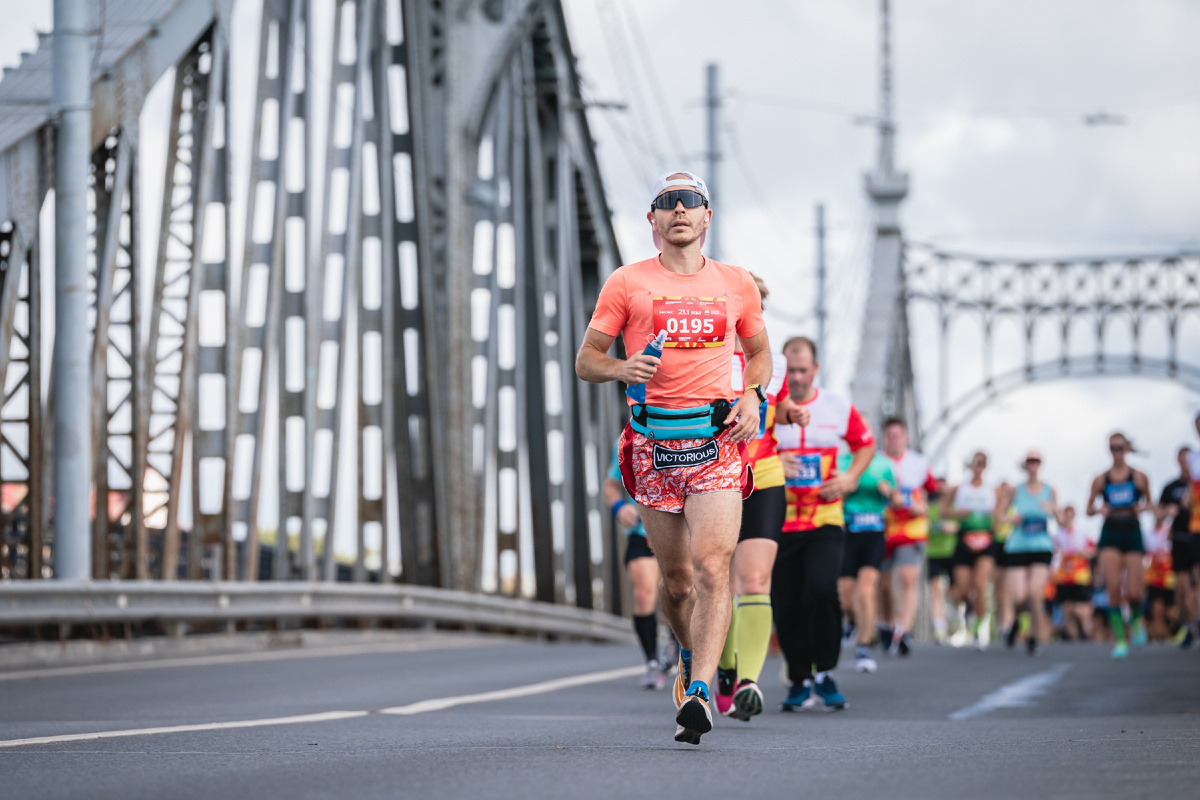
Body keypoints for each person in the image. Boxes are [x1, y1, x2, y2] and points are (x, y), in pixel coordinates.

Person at [576, 171, 771, 745]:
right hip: (652, 448)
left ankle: (704, 691)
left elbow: (758, 354)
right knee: (679, 581)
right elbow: (588, 359)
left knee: (715, 567)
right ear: (653, 219)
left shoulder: (736, 283)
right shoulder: (626, 282)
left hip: (715, 444)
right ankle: (686, 654)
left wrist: (752, 394)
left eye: (690, 202)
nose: (679, 210)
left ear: (707, 216)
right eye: (667, 203)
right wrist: (619, 368)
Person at [773, 337, 875, 711]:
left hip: (824, 517)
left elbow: (865, 444)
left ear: (815, 370)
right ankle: (799, 679)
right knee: (787, 602)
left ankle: (825, 672)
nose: (797, 378)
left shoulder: (836, 407)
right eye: (791, 371)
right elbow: (745, 449)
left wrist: (850, 479)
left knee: (820, 590)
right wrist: (772, 462)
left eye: (803, 370)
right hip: (779, 519)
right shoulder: (768, 408)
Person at [715, 274, 791, 722]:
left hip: (762, 476)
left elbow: (777, 410)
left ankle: (749, 681)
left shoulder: (773, 362)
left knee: (755, 581)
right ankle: (724, 665)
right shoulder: (705, 356)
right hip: (714, 478)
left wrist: (791, 411)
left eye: (756, 305)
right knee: (715, 580)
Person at [605, 439, 668, 689]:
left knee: (678, 591)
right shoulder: (628, 439)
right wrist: (619, 506)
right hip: (642, 533)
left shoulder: (689, 428)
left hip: (679, 531)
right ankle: (652, 661)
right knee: (644, 593)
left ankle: (679, 645)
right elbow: (610, 485)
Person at [1086, 432, 1152, 659]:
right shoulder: (1101, 479)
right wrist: (1098, 509)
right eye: (1113, 447)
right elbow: (1088, 509)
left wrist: (1140, 509)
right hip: (1110, 532)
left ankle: (1135, 621)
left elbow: (1149, 504)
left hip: (1132, 531)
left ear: (1127, 449)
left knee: (1134, 592)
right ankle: (1120, 640)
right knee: (1113, 588)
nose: (1117, 451)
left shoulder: (1139, 477)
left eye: (1120, 447)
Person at [878, 417, 937, 656]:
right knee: (883, 583)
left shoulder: (919, 463)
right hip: (883, 527)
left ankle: (905, 629)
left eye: (898, 435)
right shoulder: (877, 462)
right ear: (885, 438)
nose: (895, 439)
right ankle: (887, 624)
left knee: (908, 578)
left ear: (906, 437)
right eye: (890, 435)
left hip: (912, 528)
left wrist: (923, 508)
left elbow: (933, 493)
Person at [837, 450, 892, 672]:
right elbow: (829, 495)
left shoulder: (882, 464)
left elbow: (897, 500)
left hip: (874, 533)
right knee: (846, 599)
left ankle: (864, 645)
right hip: (848, 531)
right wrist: (844, 491)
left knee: (866, 589)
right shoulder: (841, 461)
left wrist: (888, 493)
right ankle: (853, 621)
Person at [999, 450, 1057, 655]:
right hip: (1018, 545)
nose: (1033, 465)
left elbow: (1059, 516)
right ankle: (1015, 621)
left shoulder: (1049, 489)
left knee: (1035, 592)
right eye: (1030, 462)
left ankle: (1033, 636)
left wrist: (1052, 509)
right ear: (1025, 465)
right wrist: (1012, 518)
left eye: (1036, 462)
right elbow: (1002, 514)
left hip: (1041, 545)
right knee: (1018, 596)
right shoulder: (1016, 490)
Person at [947, 451, 997, 650]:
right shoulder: (959, 489)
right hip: (963, 540)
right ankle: (966, 614)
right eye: (975, 463)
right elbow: (942, 510)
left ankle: (980, 629)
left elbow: (1000, 516)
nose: (978, 466)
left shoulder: (992, 490)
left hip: (985, 540)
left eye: (982, 463)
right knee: (963, 590)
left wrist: (998, 519)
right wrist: (955, 513)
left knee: (980, 585)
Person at [1157, 447, 1197, 648]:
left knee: (1196, 585)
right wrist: (1167, 512)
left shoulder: (1197, 484)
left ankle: (1195, 623)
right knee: (1183, 589)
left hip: (1196, 538)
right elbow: (1158, 513)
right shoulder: (1171, 487)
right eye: (1182, 461)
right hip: (1180, 540)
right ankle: (1190, 626)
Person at [1052, 505, 1094, 641]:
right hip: (1064, 576)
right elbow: (1055, 554)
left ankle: (1087, 633)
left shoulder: (1082, 532)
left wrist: (1084, 553)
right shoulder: (1058, 534)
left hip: (1080, 575)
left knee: (1081, 607)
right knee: (1067, 608)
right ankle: (1073, 639)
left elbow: (1092, 550)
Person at [925, 476, 957, 644]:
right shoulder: (930, 507)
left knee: (955, 591)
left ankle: (956, 616)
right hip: (934, 552)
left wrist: (955, 527)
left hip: (953, 552)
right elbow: (925, 524)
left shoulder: (956, 506)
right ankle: (939, 627)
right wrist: (940, 526)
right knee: (935, 589)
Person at [1143, 520, 1176, 642]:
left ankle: (1168, 633)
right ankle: (1159, 634)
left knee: (1170, 609)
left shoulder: (1169, 530)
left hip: (1169, 575)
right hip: (1153, 576)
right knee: (1157, 607)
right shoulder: (1148, 532)